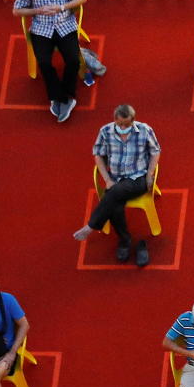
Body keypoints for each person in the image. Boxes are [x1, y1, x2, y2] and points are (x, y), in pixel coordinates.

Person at [72, 104, 161, 267]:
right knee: (114, 204)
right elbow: (98, 156)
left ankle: (92, 225)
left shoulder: (144, 130)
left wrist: (149, 176)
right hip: (115, 178)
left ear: (133, 120)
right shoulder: (105, 132)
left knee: (112, 194)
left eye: (126, 125)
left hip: (138, 178)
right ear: (115, 119)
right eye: (119, 124)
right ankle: (125, 239)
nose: (122, 127)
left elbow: (155, 151)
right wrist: (107, 179)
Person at [11, 0, 87, 122]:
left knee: (73, 61)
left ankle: (68, 95)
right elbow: (17, 10)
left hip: (65, 26)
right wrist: (37, 11)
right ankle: (57, 96)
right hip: (41, 29)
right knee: (44, 63)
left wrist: (62, 7)